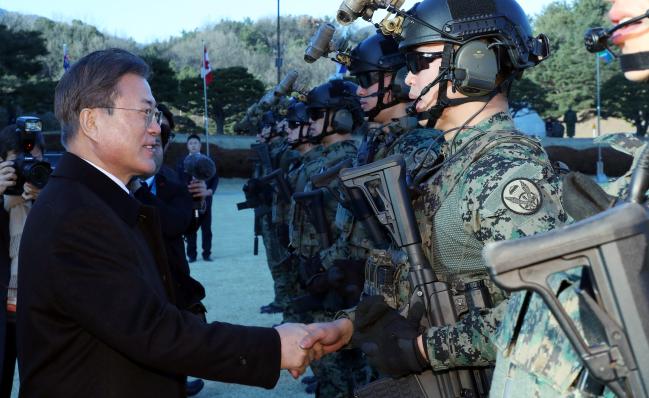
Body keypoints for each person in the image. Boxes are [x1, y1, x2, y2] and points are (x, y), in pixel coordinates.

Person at [300, 0, 567, 395]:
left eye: (420, 62)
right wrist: (352, 324)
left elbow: (550, 311)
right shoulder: (441, 159)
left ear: (476, 62)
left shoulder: (507, 170)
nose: (408, 81)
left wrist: (426, 349)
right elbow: (418, 277)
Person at [16, 48, 316, 397]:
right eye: (145, 113)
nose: (157, 127)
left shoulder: (99, 200)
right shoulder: (75, 215)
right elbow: (152, 330)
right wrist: (276, 346)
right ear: (92, 122)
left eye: (155, 114)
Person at [130, 104, 207, 396]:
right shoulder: (115, 185)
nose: (153, 146)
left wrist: (138, 191)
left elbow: (176, 224)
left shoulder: (176, 183)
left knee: (173, 335)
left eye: (159, 141)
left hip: (171, 277)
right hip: (135, 280)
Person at [0, 122, 45, 398]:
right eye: (18, 163)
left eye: (35, 161)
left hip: (39, 312)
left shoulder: (55, 199)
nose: (27, 169)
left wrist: (47, 199)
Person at [178, 134, 218, 262]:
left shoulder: (208, 160)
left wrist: (209, 191)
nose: (193, 145)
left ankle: (207, 253)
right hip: (191, 201)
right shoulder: (182, 162)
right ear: (187, 146)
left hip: (206, 200)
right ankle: (192, 255)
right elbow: (179, 179)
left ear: (200, 145)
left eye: (196, 143)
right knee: (192, 227)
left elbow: (215, 178)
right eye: (191, 143)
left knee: (207, 227)